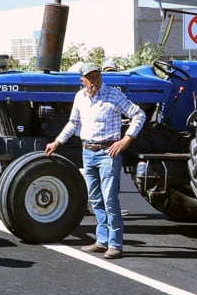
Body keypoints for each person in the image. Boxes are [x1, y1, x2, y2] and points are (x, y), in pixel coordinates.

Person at [45, 62, 145, 260]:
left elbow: (138, 114)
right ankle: (101, 240)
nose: (96, 81)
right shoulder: (80, 97)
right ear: (82, 80)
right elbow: (73, 123)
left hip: (108, 152)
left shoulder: (113, 95)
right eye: (91, 78)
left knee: (109, 199)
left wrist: (126, 139)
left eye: (98, 76)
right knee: (96, 199)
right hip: (88, 152)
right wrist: (57, 142)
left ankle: (115, 244)